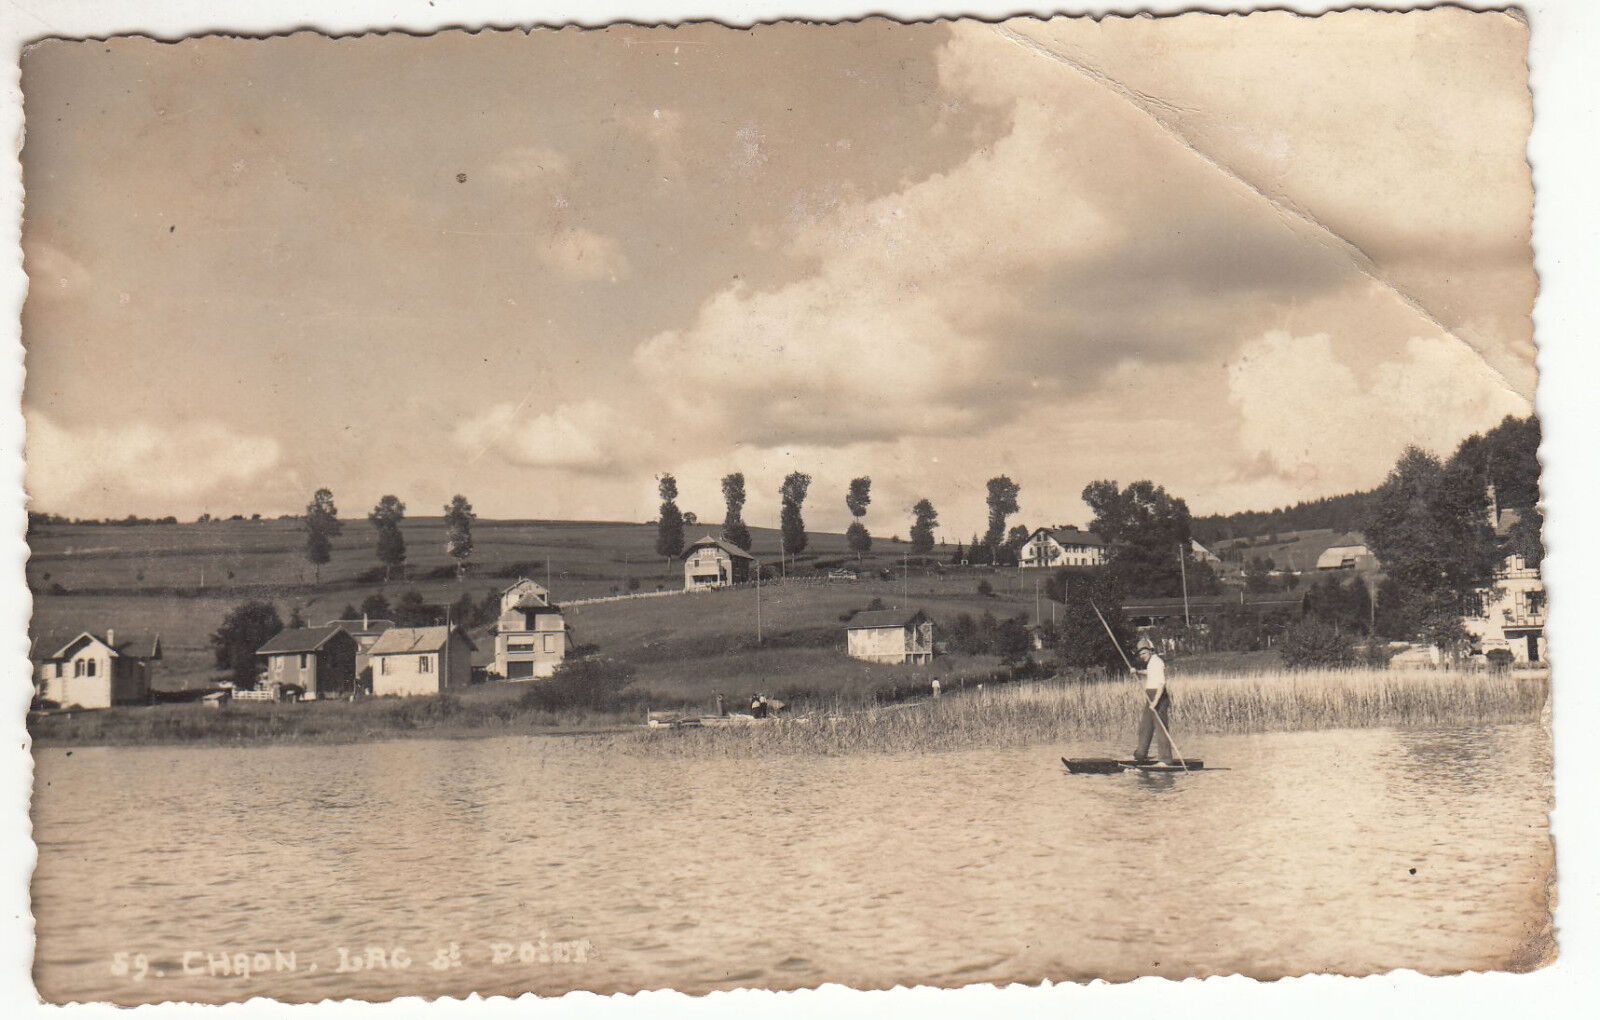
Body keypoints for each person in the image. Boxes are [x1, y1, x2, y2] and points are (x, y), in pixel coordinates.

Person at [1131, 636, 1173, 764]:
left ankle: (1165, 760)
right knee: (1145, 726)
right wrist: (1137, 672)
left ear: (1150, 651)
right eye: (1140, 654)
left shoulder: (1158, 662)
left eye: (1144, 653)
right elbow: (1150, 673)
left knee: (1161, 728)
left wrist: (1155, 702)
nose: (1142, 656)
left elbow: (1161, 684)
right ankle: (1140, 755)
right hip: (1150, 696)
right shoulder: (1151, 663)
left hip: (1159, 697)